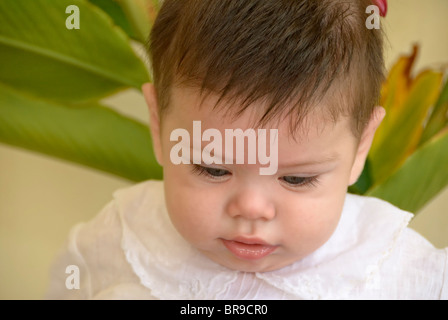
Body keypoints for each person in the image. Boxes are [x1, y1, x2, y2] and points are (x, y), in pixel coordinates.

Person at [46, 0, 447, 299]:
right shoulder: (116, 240)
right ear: (159, 125)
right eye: (213, 169)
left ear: (360, 147)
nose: (252, 208)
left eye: (296, 178)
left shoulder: (401, 273)